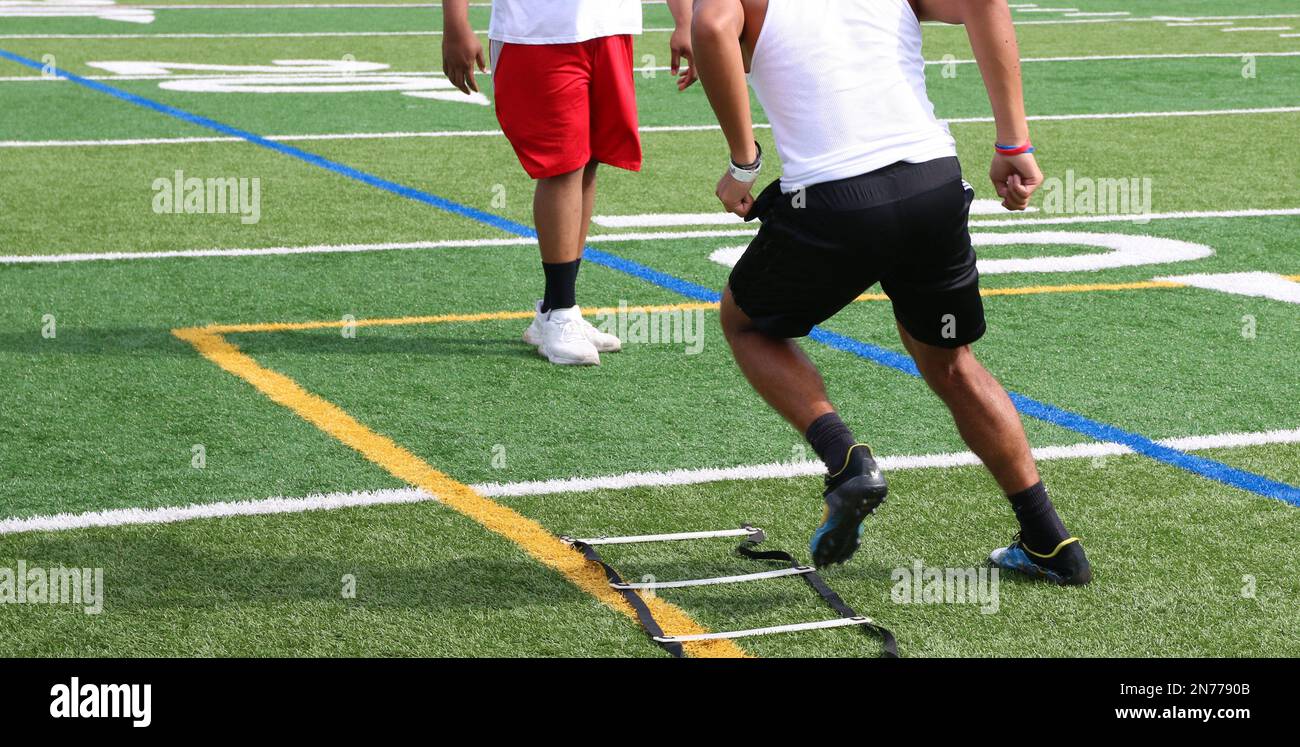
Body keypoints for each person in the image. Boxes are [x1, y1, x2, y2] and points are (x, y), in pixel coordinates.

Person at [691, 0, 1091, 582]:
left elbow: (710, 27)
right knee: (951, 362)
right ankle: (1049, 539)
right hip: (931, 182)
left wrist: (744, 163)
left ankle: (844, 460)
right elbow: (985, 3)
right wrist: (1013, 143)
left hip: (833, 198)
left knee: (746, 324)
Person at [442, 0, 699, 365]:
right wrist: (456, 23)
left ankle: (556, 309)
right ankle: (561, 312)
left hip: (610, 25)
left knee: (589, 160)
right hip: (537, 31)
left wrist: (685, 20)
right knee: (562, 165)